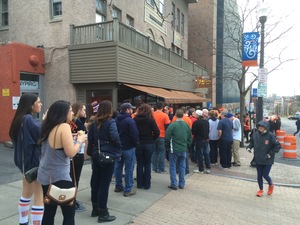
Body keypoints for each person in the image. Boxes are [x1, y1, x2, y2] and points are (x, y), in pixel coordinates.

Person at [37, 100, 86, 225]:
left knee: (49, 213)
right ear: (63, 113)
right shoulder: (64, 126)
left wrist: (72, 139)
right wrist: (80, 140)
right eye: (70, 111)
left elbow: (56, 144)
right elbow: (71, 153)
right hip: (60, 177)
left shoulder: (47, 125)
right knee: (69, 215)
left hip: (45, 176)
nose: (72, 112)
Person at [9, 93, 44, 225]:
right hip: (33, 163)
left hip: (24, 163)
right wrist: (47, 121)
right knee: (39, 196)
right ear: (31, 105)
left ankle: (23, 222)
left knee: (26, 194)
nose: (40, 104)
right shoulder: (28, 119)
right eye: (38, 102)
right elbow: (41, 135)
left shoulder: (19, 119)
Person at [87, 100, 121, 222]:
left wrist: (92, 152)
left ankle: (95, 209)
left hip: (96, 154)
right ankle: (103, 212)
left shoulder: (94, 122)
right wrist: (118, 147)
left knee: (95, 182)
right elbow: (115, 137)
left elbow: (90, 139)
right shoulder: (110, 122)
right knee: (104, 185)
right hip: (108, 155)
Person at [246, 120, 281, 197]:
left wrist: (270, 154)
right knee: (259, 175)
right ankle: (261, 190)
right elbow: (252, 142)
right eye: (259, 126)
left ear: (266, 127)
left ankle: (271, 185)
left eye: (262, 127)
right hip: (258, 158)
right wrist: (249, 147)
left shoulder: (270, 135)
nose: (260, 128)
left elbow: (278, 146)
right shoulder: (255, 134)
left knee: (265, 175)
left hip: (268, 159)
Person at [115, 103, 139, 197]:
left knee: (118, 167)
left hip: (119, 147)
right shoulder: (130, 121)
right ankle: (128, 189)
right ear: (127, 110)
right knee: (129, 168)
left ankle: (118, 186)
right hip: (128, 147)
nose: (132, 110)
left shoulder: (116, 120)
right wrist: (135, 144)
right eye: (131, 109)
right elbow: (134, 135)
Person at [134, 104, 160, 189]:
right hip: (148, 142)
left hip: (138, 143)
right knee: (147, 163)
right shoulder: (150, 120)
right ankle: (147, 184)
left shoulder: (135, 119)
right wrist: (152, 138)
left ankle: (139, 183)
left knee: (139, 163)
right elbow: (157, 132)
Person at [165, 109, 192, 190]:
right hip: (183, 149)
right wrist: (187, 145)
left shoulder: (172, 125)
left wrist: (167, 146)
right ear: (183, 116)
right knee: (182, 166)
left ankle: (174, 183)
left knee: (173, 166)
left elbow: (167, 137)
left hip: (174, 149)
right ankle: (182, 183)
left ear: (175, 115)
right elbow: (190, 137)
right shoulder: (186, 125)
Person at [70, 102, 87, 212]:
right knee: (75, 179)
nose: (85, 112)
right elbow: (83, 132)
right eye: (83, 110)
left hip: (71, 153)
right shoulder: (77, 122)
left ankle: (71, 200)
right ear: (78, 110)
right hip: (77, 153)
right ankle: (72, 201)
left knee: (72, 178)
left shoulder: (70, 121)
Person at [152, 102, 170, 173]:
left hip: (153, 135)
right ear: (162, 108)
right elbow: (167, 127)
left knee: (154, 152)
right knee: (162, 152)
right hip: (162, 136)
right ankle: (161, 168)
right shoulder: (165, 115)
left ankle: (154, 168)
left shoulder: (152, 114)